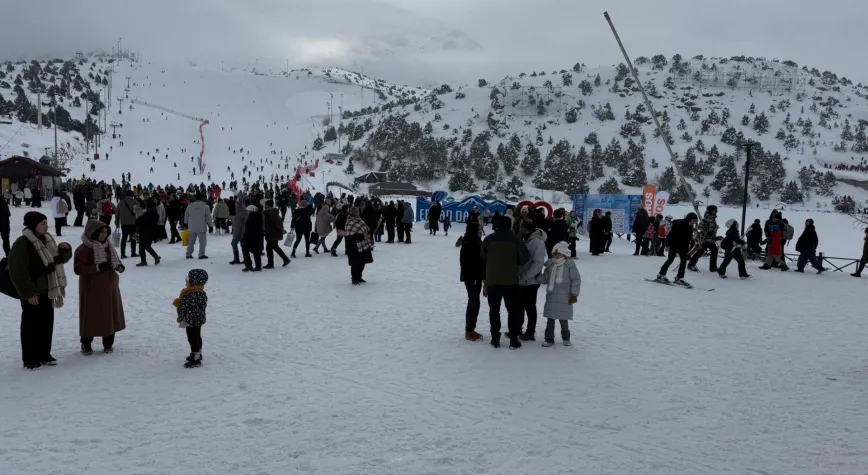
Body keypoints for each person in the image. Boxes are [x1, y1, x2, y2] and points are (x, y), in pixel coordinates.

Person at [8, 211, 73, 369]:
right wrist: (28, 293)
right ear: (33, 225)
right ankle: (30, 358)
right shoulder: (22, 244)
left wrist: (65, 250)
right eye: (43, 223)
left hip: (48, 290)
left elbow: (56, 261)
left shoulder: (47, 240)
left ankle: (44, 354)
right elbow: (18, 271)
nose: (46, 226)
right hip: (33, 292)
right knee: (31, 326)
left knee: (46, 324)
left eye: (46, 223)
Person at [73, 220, 126, 355]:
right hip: (91, 287)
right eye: (101, 232)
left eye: (105, 232)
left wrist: (118, 266)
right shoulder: (84, 248)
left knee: (109, 314)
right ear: (92, 232)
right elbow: (78, 269)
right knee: (90, 315)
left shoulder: (109, 246)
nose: (104, 235)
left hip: (109, 286)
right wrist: (96, 268)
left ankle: (108, 343)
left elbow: (114, 261)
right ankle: (86, 343)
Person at [481, 215, 530, 349]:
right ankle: (513, 340)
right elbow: (525, 258)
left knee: (494, 311)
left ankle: (495, 339)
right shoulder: (516, 239)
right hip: (511, 281)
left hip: (492, 281)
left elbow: (482, 258)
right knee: (512, 311)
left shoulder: (488, 239)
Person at [541, 242, 581, 347]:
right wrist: (537, 276)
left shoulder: (569, 265)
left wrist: (574, 294)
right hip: (551, 297)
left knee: (564, 320)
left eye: (558, 253)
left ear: (564, 254)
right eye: (554, 253)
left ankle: (566, 338)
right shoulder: (550, 265)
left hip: (565, 297)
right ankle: (549, 339)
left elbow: (576, 280)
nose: (556, 255)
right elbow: (545, 279)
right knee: (550, 319)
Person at [517, 220, 547, 342]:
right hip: (521, 280)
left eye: (521, 227)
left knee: (529, 307)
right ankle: (517, 328)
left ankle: (530, 332)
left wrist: (525, 276)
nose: (519, 229)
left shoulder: (538, 243)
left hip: (531, 281)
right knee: (519, 306)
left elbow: (538, 264)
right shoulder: (524, 240)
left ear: (526, 228)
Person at [173, 269, 208, 368]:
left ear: (193, 281)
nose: (186, 282)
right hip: (199, 319)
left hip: (190, 320)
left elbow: (182, 308)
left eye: (187, 280)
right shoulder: (202, 292)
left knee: (192, 339)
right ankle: (198, 354)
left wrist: (180, 316)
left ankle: (195, 359)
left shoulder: (188, 294)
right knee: (197, 336)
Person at [459, 221, 485, 341]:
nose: (481, 230)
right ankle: (469, 330)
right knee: (473, 302)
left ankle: (470, 329)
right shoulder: (472, 242)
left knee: (474, 301)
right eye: (479, 228)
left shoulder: (471, 240)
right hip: (473, 276)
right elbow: (473, 262)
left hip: (473, 276)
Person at [656, 212, 698, 286]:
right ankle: (661, 274)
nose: (694, 223)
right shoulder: (679, 224)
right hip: (674, 245)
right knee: (670, 260)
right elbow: (670, 234)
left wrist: (690, 246)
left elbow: (688, 237)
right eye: (693, 221)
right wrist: (668, 245)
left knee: (684, 261)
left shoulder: (691, 226)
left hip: (683, 246)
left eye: (695, 221)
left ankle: (680, 277)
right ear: (689, 219)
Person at [345, 206, 373, 285]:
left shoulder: (360, 220)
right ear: (353, 213)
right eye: (357, 211)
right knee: (355, 263)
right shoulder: (349, 222)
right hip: (354, 246)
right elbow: (350, 236)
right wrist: (363, 236)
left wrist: (368, 233)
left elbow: (365, 229)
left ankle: (359, 277)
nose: (358, 213)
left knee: (362, 262)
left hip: (363, 244)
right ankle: (354, 279)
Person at [687, 205, 720, 272]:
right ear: (711, 210)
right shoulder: (706, 218)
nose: (716, 211)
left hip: (710, 239)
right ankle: (691, 265)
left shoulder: (712, 218)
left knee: (713, 251)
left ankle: (713, 267)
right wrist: (707, 232)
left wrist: (714, 235)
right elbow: (699, 228)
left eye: (716, 210)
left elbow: (712, 228)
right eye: (714, 210)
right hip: (704, 239)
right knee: (701, 252)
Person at [262, 200, 291, 268]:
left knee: (271, 248)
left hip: (273, 233)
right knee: (273, 247)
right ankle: (281, 260)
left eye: (265, 204)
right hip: (271, 233)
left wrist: (281, 229)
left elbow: (277, 222)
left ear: (268, 205)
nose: (264, 206)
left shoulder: (272, 213)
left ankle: (273, 263)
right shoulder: (270, 212)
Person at [184, 194, 212, 259]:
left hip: (192, 226)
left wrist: (185, 223)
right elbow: (208, 217)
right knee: (202, 242)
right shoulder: (205, 206)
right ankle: (201, 254)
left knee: (191, 241)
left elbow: (186, 215)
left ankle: (188, 254)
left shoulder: (190, 205)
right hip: (201, 227)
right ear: (202, 198)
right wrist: (210, 226)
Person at [115, 190, 140, 258]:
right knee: (133, 238)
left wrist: (117, 223)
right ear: (132, 195)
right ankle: (133, 252)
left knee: (124, 239)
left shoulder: (121, 203)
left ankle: (123, 253)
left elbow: (117, 214)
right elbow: (138, 214)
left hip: (124, 223)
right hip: (133, 224)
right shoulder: (136, 203)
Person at [136, 199, 161, 266]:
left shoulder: (148, 214)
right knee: (146, 246)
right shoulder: (155, 214)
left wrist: (139, 217)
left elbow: (140, 221)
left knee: (142, 246)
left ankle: (145, 260)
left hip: (144, 231)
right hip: (151, 231)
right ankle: (154, 256)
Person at [242, 205, 264, 272]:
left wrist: (246, 235)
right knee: (255, 252)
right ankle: (256, 266)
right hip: (256, 237)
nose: (247, 212)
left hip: (252, 237)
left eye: (247, 211)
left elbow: (250, 228)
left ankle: (250, 266)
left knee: (249, 250)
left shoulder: (253, 216)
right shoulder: (258, 216)